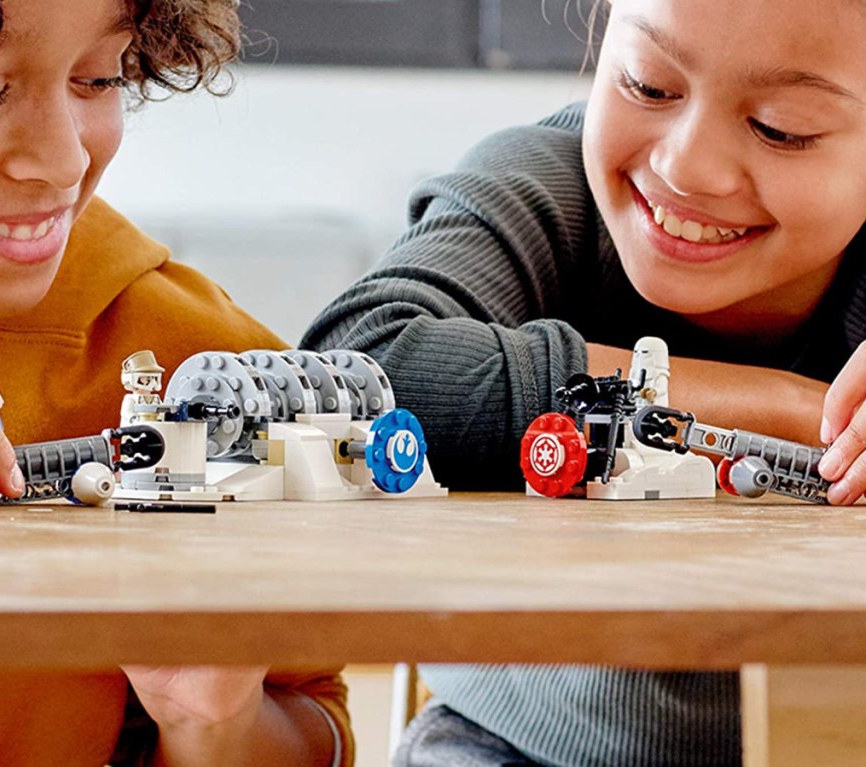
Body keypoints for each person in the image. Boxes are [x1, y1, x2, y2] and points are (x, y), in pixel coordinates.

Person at [303, 0, 866, 764]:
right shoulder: (544, 185)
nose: (684, 167)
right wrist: (799, 410)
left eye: (780, 128)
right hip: (514, 743)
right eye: (648, 85)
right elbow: (362, 364)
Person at [0, 1, 349, 765]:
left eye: (99, 76)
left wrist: (214, 727)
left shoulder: (203, 371)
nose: (64, 159)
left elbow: (318, 724)